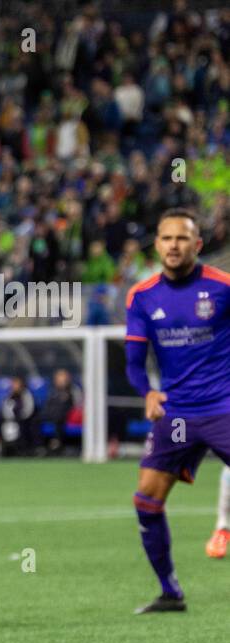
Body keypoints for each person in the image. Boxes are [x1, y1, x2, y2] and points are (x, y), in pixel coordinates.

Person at [126, 209, 230, 612]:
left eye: (183, 238)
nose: (174, 245)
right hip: (178, 416)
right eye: (167, 238)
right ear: (157, 244)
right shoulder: (142, 296)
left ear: (197, 245)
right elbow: (134, 362)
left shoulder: (222, 287)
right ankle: (170, 592)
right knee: (146, 501)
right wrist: (147, 393)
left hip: (223, 408)